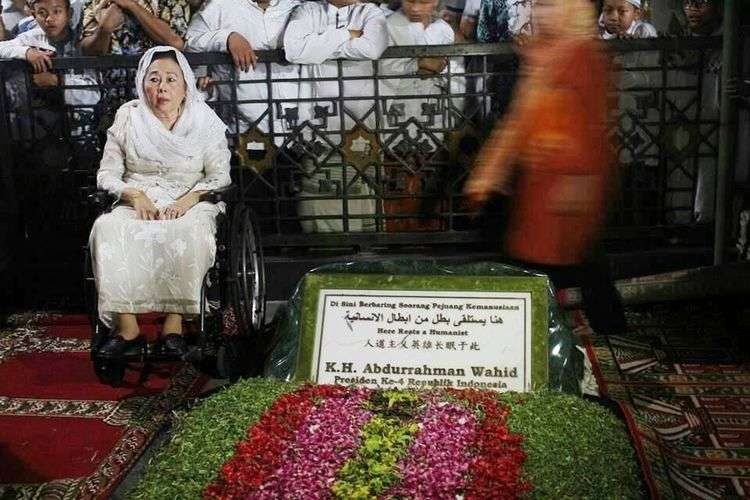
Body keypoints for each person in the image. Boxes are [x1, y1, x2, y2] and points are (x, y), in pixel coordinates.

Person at [464, 0, 627, 335]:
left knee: (566, 259)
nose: (543, 14)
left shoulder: (583, 55)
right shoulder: (545, 53)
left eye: (552, 6)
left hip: (569, 181)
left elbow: (591, 124)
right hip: (540, 179)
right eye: (540, 6)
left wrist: (578, 182)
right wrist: (490, 171)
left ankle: (530, 333)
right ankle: (587, 329)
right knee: (566, 259)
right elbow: (520, 120)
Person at [89, 46, 230, 358]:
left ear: (185, 86)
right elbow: (107, 174)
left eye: (170, 79)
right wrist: (134, 195)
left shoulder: (204, 119)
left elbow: (220, 176)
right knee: (107, 229)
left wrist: (189, 199)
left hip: (191, 199)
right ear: (142, 83)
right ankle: (128, 329)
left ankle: (174, 325)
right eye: (153, 79)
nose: (162, 87)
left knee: (188, 231)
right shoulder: (129, 116)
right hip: (139, 197)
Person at [284, 0, 388, 233]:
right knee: (325, 211)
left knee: (365, 213)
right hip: (320, 133)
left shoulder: (370, 12)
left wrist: (319, 46)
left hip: (362, 130)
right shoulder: (307, 11)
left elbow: (372, 48)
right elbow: (293, 49)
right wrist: (348, 35)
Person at [379, 0, 453, 231]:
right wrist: (422, 63)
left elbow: (444, 68)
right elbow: (383, 70)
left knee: (429, 179)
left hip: (433, 116)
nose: (416, 8)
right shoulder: (387, 26)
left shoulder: (443, 30)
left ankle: (429, 237)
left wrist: (425, 66)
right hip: (397, 117)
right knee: (396, 180)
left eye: (424, 2)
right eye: (410, 1)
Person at [184, 0, 301, 138]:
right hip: (241, 129)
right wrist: (226, 38)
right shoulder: (218, 6)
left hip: (297, 126)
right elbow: (189, 43)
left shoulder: (295, 6)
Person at [0, 0, 99, 111]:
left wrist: (55, 81)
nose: (49, 19)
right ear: (34, 15)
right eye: (42, 13)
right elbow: (2, 47)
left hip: (80, 121)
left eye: (57, 11)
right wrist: (27, 52)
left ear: (69, 13)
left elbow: (93, 96)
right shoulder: (31, 38)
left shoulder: (82, 44)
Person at [79, 0, 190, 55]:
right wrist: (104, 30)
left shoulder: (172, 2)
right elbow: (87, 50)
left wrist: (132, 6)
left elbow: (176, 43)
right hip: (111, 91)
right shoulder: (96, 2)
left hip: (157, 90)